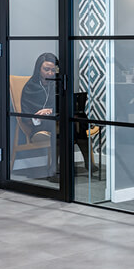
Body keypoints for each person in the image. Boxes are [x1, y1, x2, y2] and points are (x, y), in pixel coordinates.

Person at [21, 52, 95, 180]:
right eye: (46, 69)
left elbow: (63, 104)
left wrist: (50, 110)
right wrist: (42, 113)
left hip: (58, 120)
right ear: (38, 69)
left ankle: (87, 162)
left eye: (53, 70)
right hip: (39, 124)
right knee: (62, 124)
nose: (50, 73)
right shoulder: (30, 87)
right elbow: (27, 116)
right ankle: (53, 168)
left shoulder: (58, 83)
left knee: (78, 117)